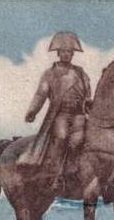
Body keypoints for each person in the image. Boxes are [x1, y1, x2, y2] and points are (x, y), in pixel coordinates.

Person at [20, 31, 92, 192]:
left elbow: (88, 93)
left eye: (69, 52)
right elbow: (41, 94)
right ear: (58, 53)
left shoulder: (80, 73)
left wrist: (89, 102)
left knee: (78, 140)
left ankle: (75, 172)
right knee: (61, 137)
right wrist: (33, 111)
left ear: (72, 54)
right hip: (60, 115)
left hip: (79, 114)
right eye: (64, 52)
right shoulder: (50, 74)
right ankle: (55, 176)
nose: (66, 54)